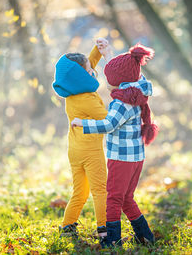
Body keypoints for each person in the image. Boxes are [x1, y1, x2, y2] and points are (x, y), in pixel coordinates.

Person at [71, 43, 158, 247]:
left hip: (121, 158)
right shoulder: (137, 89)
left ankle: (112, 241)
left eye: (108, 79)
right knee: (127, 197)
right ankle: (145, 236)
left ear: (117, 83)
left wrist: (83, 123)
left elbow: (109, 125)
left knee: (114, 198)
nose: (106, 81)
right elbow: (125, 73)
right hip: (136, 157)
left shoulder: (121, 103)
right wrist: (108, 55)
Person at [52, 38, 112, 247]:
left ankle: (67, 226)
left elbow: (86, 67)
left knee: (80, 192)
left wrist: (97, 50)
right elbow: (109, 119)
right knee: (100, 191)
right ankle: (105, 232)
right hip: (91, 151)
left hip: (74, 151)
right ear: (82, 75)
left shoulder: (71, 92)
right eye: (89, 69)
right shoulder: (88, 99)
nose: (93, 70)